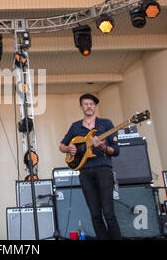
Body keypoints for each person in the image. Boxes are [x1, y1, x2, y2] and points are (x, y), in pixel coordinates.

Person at [59, 93, 122, 240]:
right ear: (81, 107)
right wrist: (69, 149)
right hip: (85, 173)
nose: (89, 106)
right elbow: (62, 146)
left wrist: (102, 147)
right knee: (95, 214)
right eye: (86, 104)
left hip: (103, 170)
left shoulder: (106, 124)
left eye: (91, 104)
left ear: (95, 106)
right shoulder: (75, 126)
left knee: (108, 213)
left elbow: (116, 151)